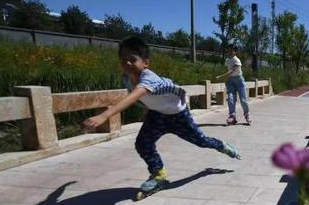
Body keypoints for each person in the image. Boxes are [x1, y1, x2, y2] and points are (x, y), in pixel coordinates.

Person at [82, 37, 240, 193]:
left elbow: (135, 96)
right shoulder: (126, 78)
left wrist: (104, 116)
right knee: (143, 144)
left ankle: (222, 146)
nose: (127, 63)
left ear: (145, 63)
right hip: (157, 115)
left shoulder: (149, 78)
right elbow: (143, 98)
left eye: (132, 59)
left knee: (201, 141)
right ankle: (158, 175)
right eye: (123, 59)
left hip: (178, 116)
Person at [225, 47, 251, 125]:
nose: (229, 52)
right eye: (228, 50)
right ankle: (232, 116)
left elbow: (234, 68)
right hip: (231, 81)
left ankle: (247, 115)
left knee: (243, 99)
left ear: (235, 52)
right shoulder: (227, 60)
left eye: (231, 51)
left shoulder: (237, 60)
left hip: (239, 81)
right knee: (230, 98)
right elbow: (227, 70)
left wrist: (230, 71)